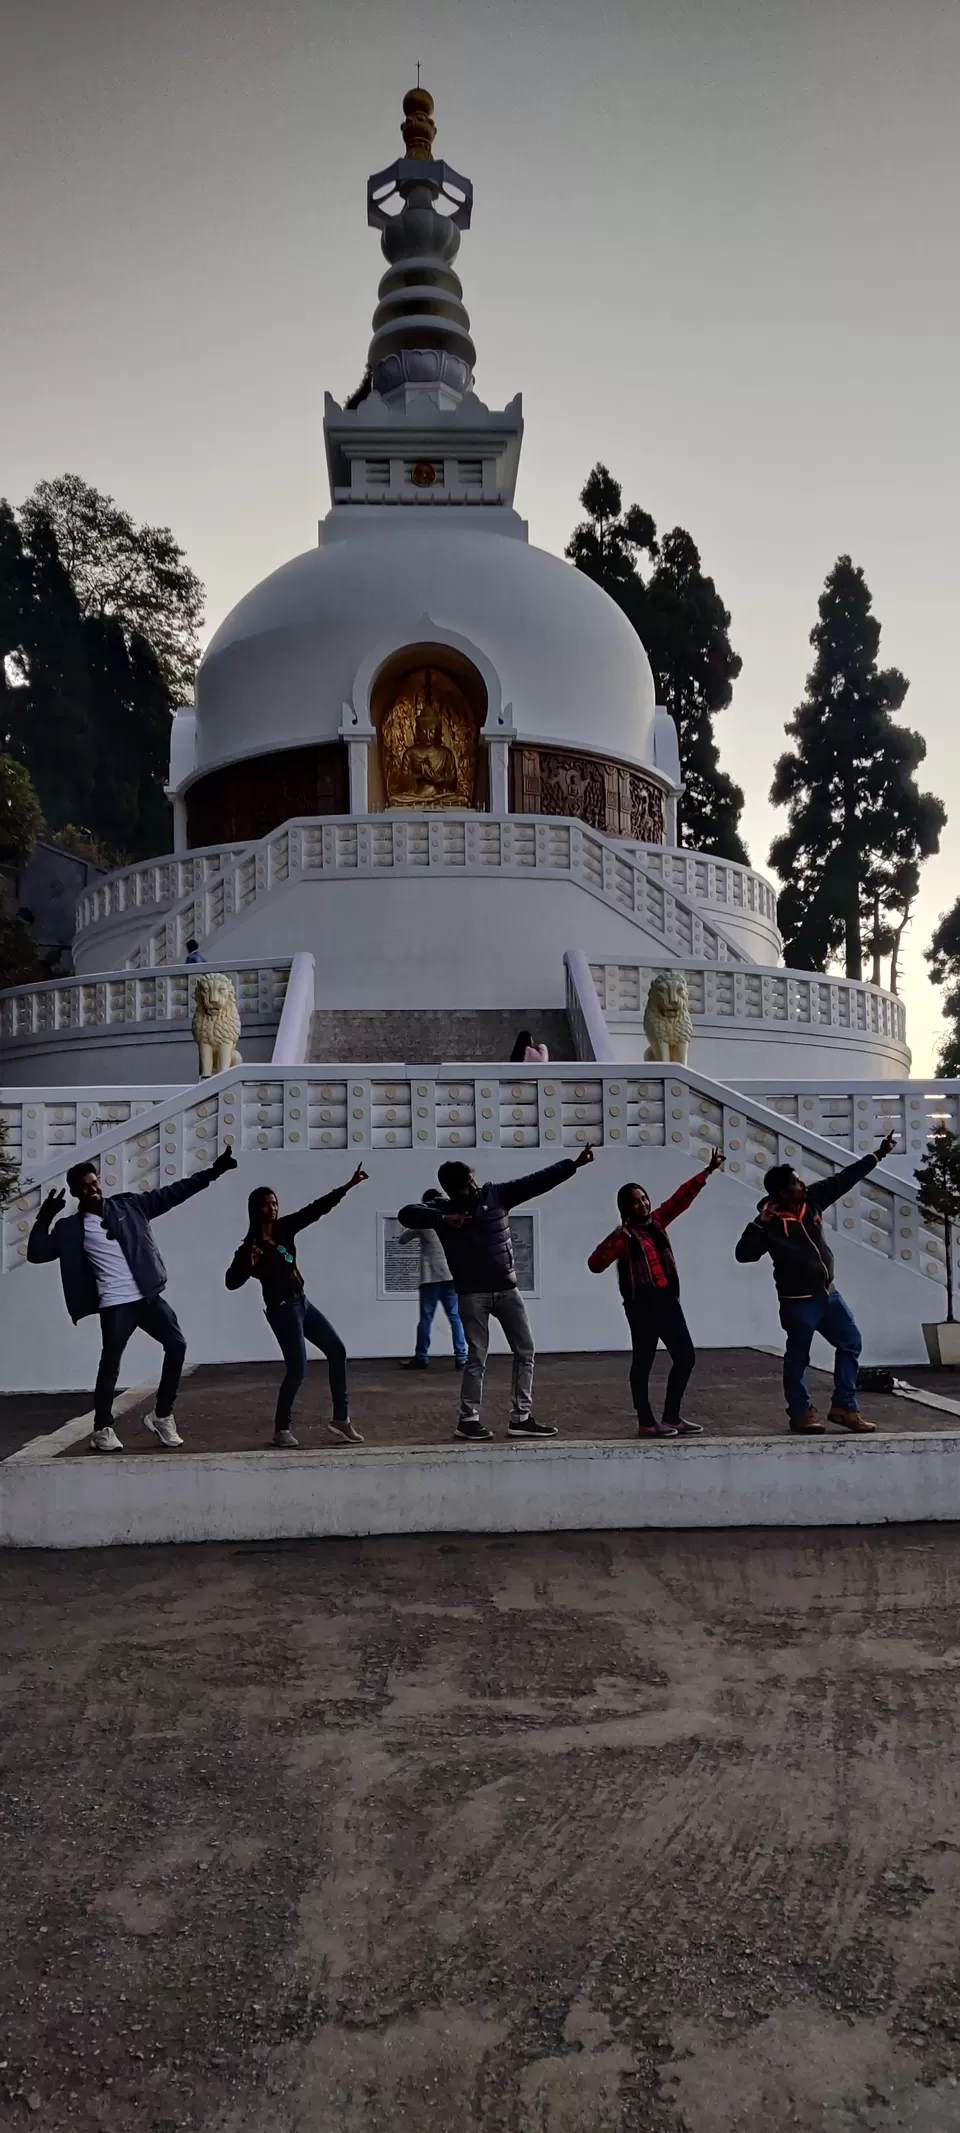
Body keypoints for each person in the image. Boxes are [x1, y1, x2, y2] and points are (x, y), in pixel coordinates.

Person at [27, 1149, 238, 1452]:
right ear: (75, 1193)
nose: (94, 1188)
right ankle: (102, 1429)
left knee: (177, 1345)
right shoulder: (70, 1228)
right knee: (111, 1365)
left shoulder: (129, 1205)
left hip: (148, 1296)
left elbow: (175, 1193)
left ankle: (162, 1415)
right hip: (116, 1304)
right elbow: (36, 1254)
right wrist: (45, 1215)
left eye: (95, 1182)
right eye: (86, 1186)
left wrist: (215, 1171)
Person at [398, 1145, 595, 1441]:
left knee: (525, 1351)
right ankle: (468, 1420)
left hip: (507, 1290)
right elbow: (406, 1214)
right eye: (466, 1185)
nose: (473, 1186)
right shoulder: (443, 1209)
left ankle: (521, 1417)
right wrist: (442, 1220)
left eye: (472, 1180)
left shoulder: (497, 1195)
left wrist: (574, 1164)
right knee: (476, 1357)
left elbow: (536, 1181)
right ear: (452, 1189)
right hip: (472, 1295)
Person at [734, 1131, 898, 1433]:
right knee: (798, 1358)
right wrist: (759, 1224)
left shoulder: (813, 1202)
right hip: (798, 1304)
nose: (803, 1185)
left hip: (829, 1296)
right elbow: (743, 1255)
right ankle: (800, 1412)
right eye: (797, 1183)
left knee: (851, 1342)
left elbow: (845, 1179)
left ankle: (844, 1407)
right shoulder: (770, 1224)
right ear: (783, 1193)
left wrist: (879, 1154)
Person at [225, 1165, 368, 1447]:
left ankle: (341, 1420)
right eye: (266, 1205)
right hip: (281, 1309)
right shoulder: (249, 1247)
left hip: (302, 1303)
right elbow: (231, 1281)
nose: (272, 1208)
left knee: (337, 1351)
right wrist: (248, 1264)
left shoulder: (284, 1229)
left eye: (275, 1203)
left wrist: (348, 1186)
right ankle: (281, 1429)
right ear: (255, 1210)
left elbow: (316, 1209)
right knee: (298, 1369)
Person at [588, 1150, 725, 1438]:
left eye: (644, 1198)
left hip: (667, 1300)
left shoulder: (657, 1224)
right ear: (625, 1207)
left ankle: (672, 1417)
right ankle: (647, 1421)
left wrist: (707, 1171)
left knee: (686, 1357)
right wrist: (617, 1238)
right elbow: (595, 1264)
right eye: (635, 1201)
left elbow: (680, 1200)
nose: (642, 1204)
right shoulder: (623, 1236)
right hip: (642, 1306)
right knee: (643, 1362)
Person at [398, 1189, 468, 1370]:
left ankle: (421, 1357)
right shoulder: (451, 1220)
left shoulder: (423, 1222)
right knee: (455, 1317)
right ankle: (462, 1357)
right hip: (451, 1274)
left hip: (430, 1276)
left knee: (426, 1318)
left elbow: (402, 1239)